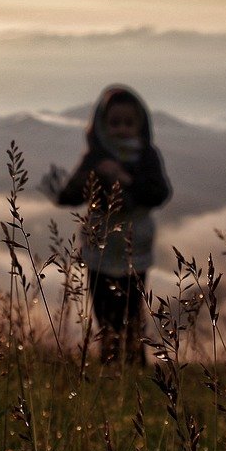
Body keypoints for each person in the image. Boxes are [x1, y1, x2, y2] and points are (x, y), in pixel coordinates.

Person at [47, 85, 171, 365]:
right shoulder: (95, 158)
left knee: (132, 313)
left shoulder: (147, 156)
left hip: (134, 251)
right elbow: (72, 195)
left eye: (128, 123)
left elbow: (159, 193)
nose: (121, 129)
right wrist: (74, 184)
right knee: (104, 313)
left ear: (141, 125)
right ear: (101, 124)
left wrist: (124, 179)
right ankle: (111, 365)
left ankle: (134, 367)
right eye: (115, 123)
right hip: (99, 251)